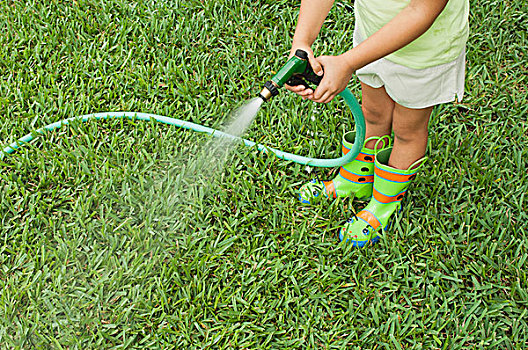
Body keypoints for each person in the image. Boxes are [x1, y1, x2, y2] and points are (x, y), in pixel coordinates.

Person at [287, 0, 469, 247]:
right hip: (372, 38)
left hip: (424, 52)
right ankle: (356, 179)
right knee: (373, 112)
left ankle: (384, 203)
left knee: (407, 129)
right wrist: (302, 42)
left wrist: (348, 63)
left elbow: (422, 10)